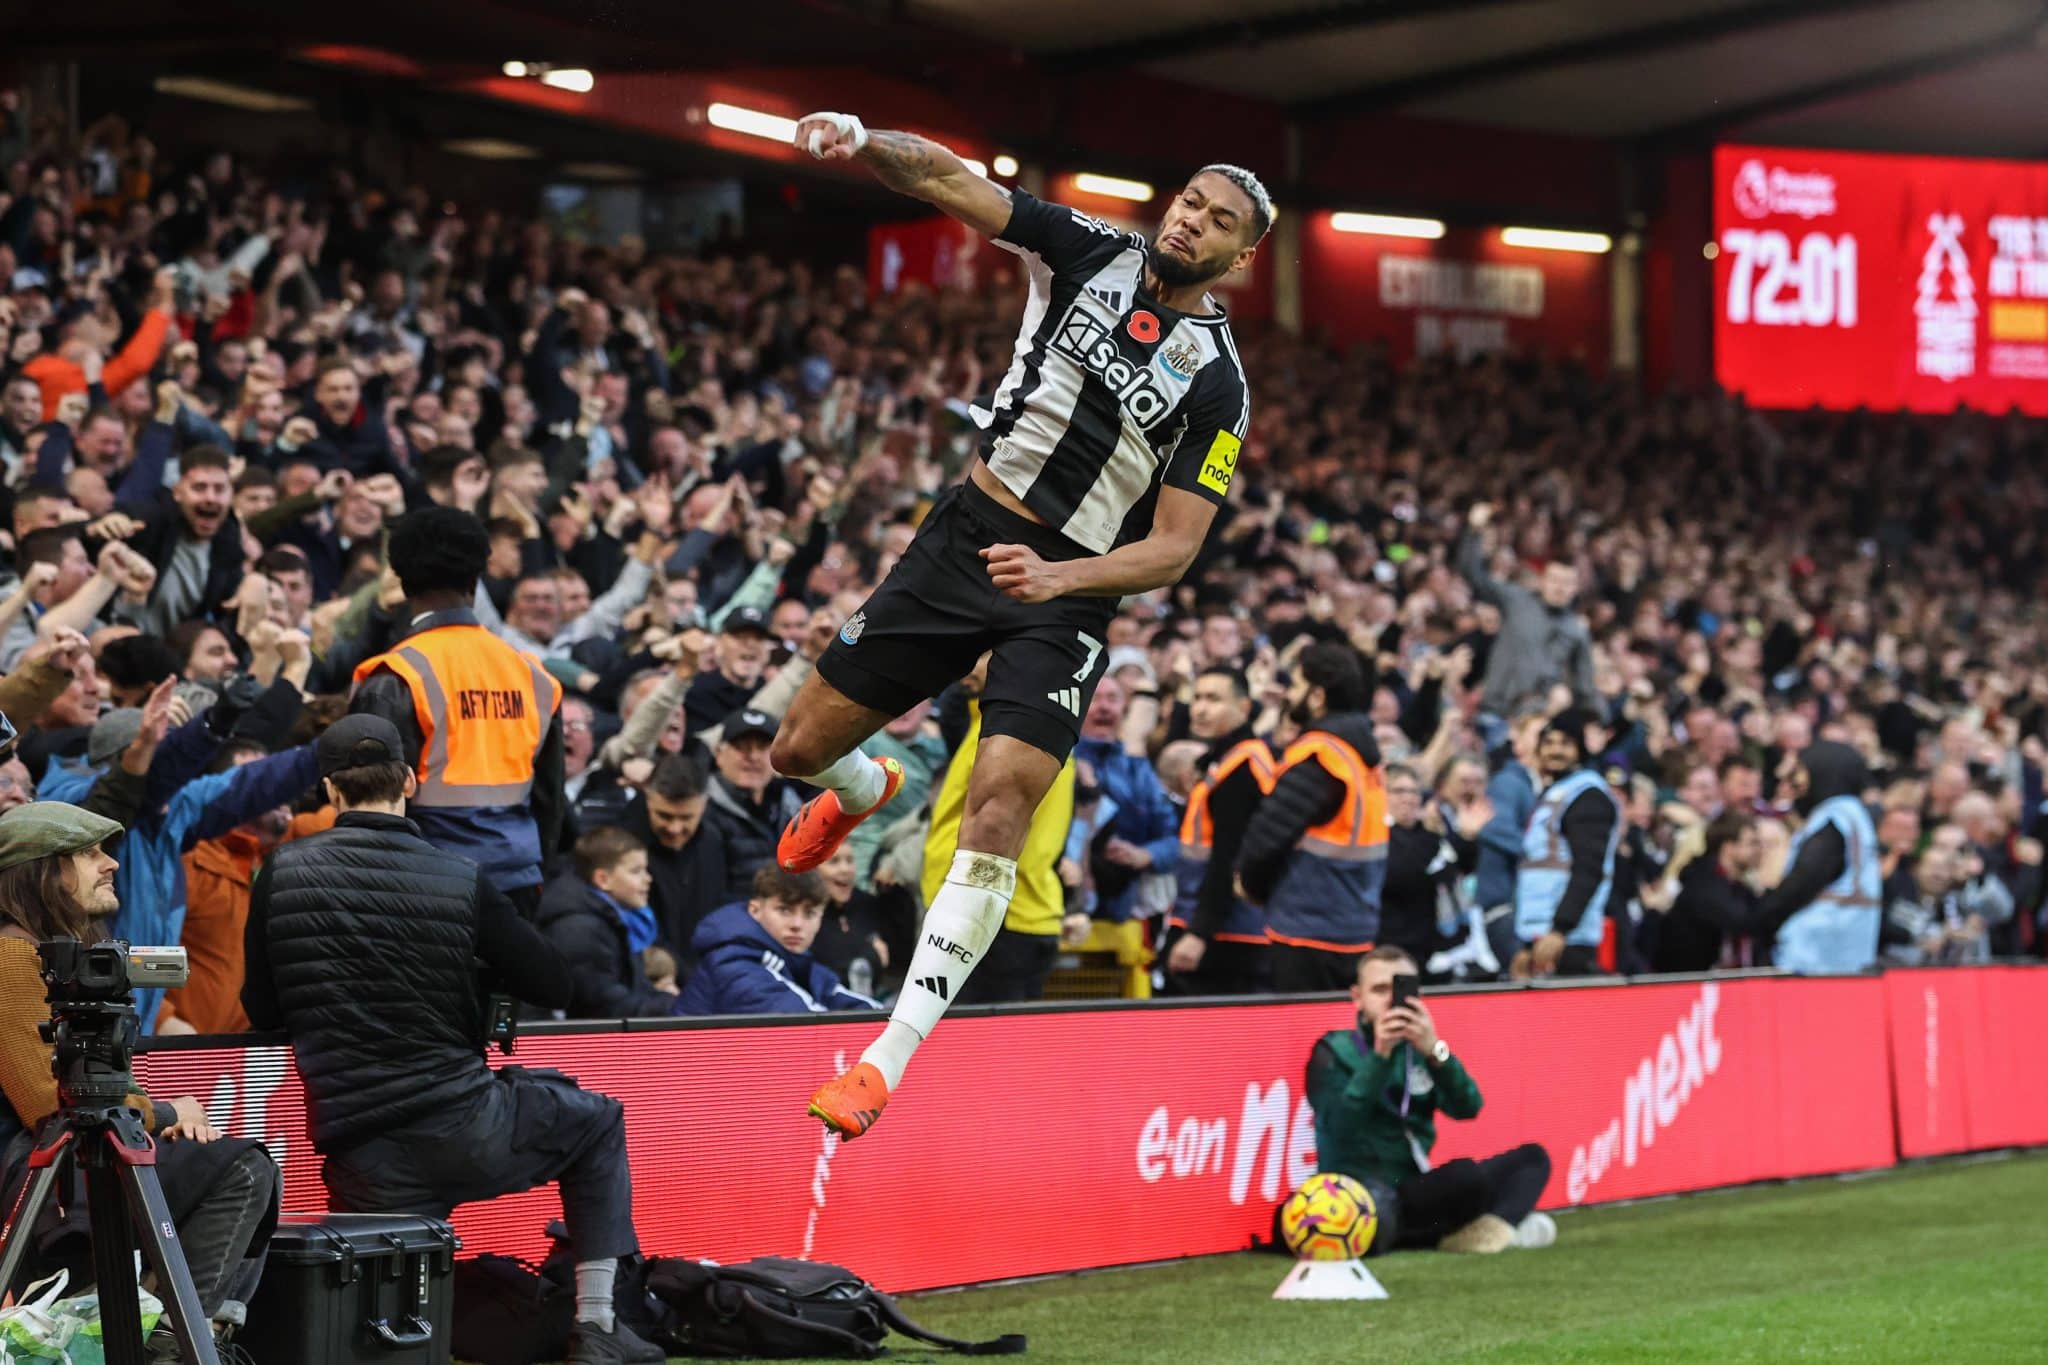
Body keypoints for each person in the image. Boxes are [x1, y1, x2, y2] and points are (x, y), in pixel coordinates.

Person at [771, 114, 1265, 1136]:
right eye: (1187, 202)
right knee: (795, 750)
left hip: (1071, 591)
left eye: (1217, 222)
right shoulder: (1087, 250)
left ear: (1239, 257)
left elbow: (1174, 547)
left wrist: (1059, 578)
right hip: (962, 542)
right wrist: (861, 137)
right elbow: (949, 179)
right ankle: (866, 786)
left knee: (998, 808)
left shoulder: (1217, 384)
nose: (1191, 223)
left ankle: (885, 1059)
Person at [241, 715, 662, 1365]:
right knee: (598, 1120)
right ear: (410, 779)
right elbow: (555, 978)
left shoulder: (280, 871)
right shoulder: (459, 876)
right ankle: (599, 1325)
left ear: (328, 789)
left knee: (381, 1335)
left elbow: (263, 1010)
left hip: (362, 1155)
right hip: (471, 1127)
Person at [0, 801, 280, 1358]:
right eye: (87, 853)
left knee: (242, 1165)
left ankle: (176, 1328)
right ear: (40, 871)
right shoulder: (11, 955)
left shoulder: (58, 958)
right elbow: (46, 1102)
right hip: (35, 1167)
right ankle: (178, 1343)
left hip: (68, 1154)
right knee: (242, 1168)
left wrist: (147, 1118)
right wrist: (168, 1114)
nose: (112, 864)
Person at [349, 505, 565, 912]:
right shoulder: (533, 676)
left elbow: (371, 813)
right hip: (518, 881)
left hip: (423, 891)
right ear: (476, 577)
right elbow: (550, 800)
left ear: (400, 577)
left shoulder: (397, 675)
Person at [1305, 947, 1555, 1254]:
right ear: (1357, 997)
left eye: (1400, 990)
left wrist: (1436, 1051)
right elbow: (1340, 1127)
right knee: (1459, 1180)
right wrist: (1381, 1056)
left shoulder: (1421, 1051)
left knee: (1531, 1159)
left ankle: (1489, 1229)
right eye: (1379, 990)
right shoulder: (1334, 1050)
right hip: (1358, 1193)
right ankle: (1477, 1231)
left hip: (1416, 1190)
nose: (1389, 1000)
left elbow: (1468, 1107)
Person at [1236, 642, 1387, 992]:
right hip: (1353, 921)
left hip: (1307, 928)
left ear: (1318, 696)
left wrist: (1251, 883)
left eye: (1297, 685)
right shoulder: (1360, 752)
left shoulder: (1321, 753)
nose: (1290, 695)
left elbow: (1267, 834)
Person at [1162, 666, 1274, 994]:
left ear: (1243, 707)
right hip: (1224, 924)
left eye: (1213, 699)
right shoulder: (1226, 758)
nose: (1200, 708)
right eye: (1196, 697)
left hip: (1226, 934)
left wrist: (1200, 932)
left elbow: (1228, 855)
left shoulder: (1241, 768)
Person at [1745, 740, 1883, 973]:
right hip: (1847, 956)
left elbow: (1802, 882)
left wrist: (1760, 916)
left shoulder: (1834, 822)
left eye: (1800, 774)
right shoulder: (1857, 819)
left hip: (1814, 956)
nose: (1795, 785)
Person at [676, 866, 883, 1016]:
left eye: (809, 914)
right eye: (784, 910)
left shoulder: (803, 966)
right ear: (755, 910)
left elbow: (866, 1012)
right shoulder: (733, 964)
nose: (797, 924)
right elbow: (810, 1029)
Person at [1455, 501, 1597, 716]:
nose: (1560, 588)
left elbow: (1584, 687)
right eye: (1555, 580)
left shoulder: (1577, 630)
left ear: (1575, 588)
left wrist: (1593, 718)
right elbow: (1473, 575)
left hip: (1535, 719)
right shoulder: (1517, 599)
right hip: (1493, 709)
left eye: (1567, 583)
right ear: (1542, 581)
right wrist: (1474, 531)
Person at [1512, 709, 1622, 978]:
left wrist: (1561, 928)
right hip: (1540, 931)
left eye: (1565, 744)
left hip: (1568, 937)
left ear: (1580, 749)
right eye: (1548, 743)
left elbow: (1588, 869)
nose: (1554, 751)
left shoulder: (1587, 796)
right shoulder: (1555, 793)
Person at [535, 827, 681, 1020]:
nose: (648, 879)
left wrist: (665, 998)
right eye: (636, 871)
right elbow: (603, 1007)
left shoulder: (610, 917)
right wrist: (670, 1006)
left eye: (645, 869)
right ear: (603, 879)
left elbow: (631, 988)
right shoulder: (581, 929)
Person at [624, 752, 730, 963]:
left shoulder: (712, 842)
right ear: (648, 799)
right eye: (664, 815)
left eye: (686, 818)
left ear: (704, 805)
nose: (674, 828)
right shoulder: (624, 846)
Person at [1653, 813, 1762, 973]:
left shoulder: (1739, 888)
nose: (1760, 850)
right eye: (1753, 843)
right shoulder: (1702, 881)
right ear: (1729, 847)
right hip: (1685, 982)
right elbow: (1742, 919)